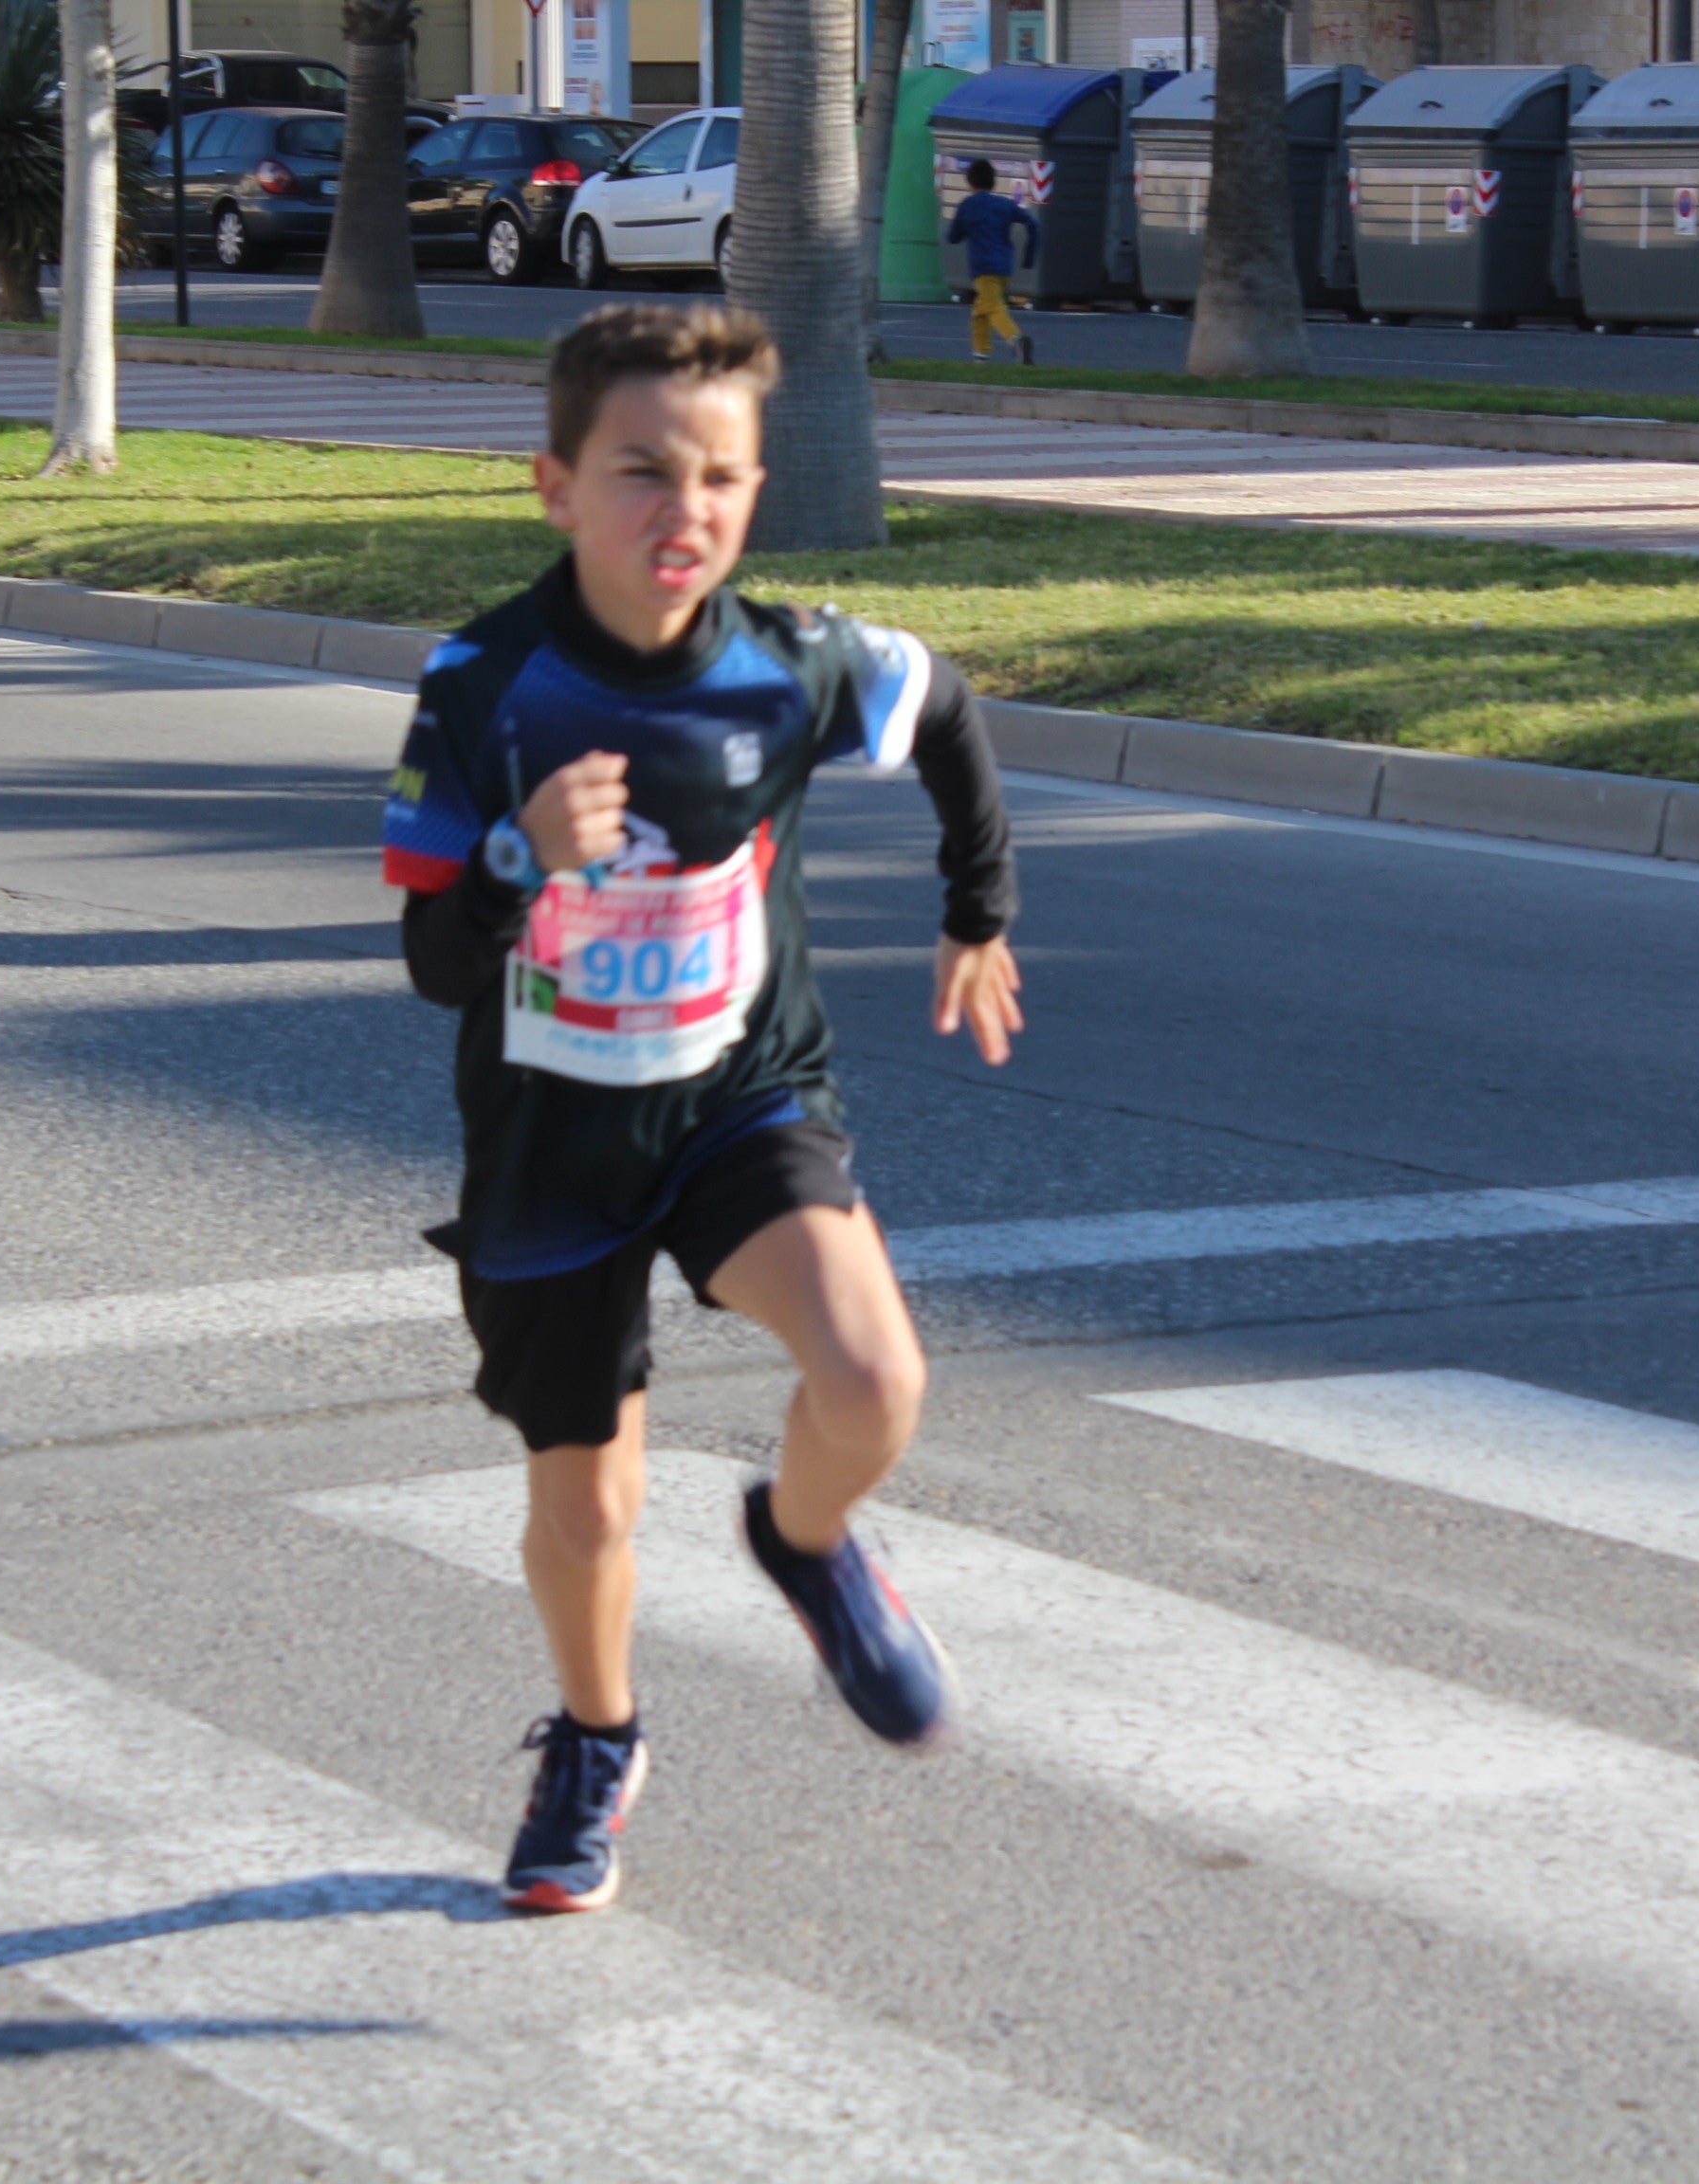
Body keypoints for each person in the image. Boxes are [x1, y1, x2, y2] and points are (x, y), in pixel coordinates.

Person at [385, 301, 1025, 1915]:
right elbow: (433, 964)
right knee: (584, 1504)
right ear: (553, 484)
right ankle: (597, 1736)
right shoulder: (482, 686)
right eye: (642, 472)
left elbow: (943, 709)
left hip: (741, 1097)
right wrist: (522, 851)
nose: (687, 512)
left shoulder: (791, 662)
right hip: (552, 1148)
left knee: (875, 1373)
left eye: (722, 478)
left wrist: (977, 908)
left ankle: (805, 1538)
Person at [945, 157, 1038, 364]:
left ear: (969, 182)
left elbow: (953, 237)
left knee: (994, 306)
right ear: (993, 181)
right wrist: (1030, 254)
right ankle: (981, 356)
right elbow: (1033, 222)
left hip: (982, 266)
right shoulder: (1004, 204)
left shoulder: (968, 205)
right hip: (1005, 265)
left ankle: (1016, 340)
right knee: (981, 309)